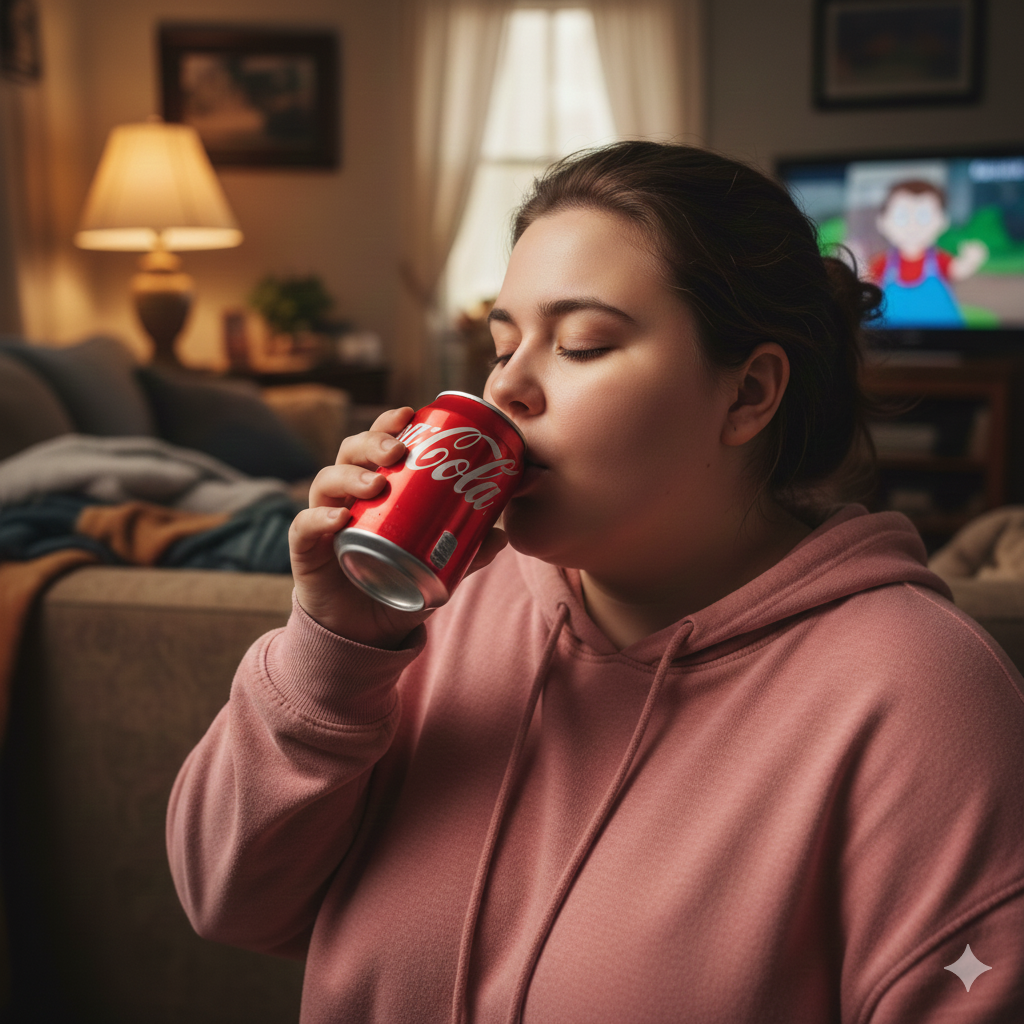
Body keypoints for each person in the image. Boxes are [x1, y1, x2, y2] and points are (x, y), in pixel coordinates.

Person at [167, 142, 1024, 1023]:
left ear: (749, 394)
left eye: (582, 345)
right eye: (501, 346)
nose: (509, 387)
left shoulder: (924, 695)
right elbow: (226, 902)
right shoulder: (437, 619)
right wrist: (335, 647)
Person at [868, 179, 988, 328]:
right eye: (902, 217)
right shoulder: (883, 262)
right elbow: (868, 284)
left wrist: (971, 260)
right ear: (883, 222)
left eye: (924, 217)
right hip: (889, 339)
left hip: (946, 337)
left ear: (942, 221)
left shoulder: (939, 259)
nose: (913, 226)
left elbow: (957, 270)